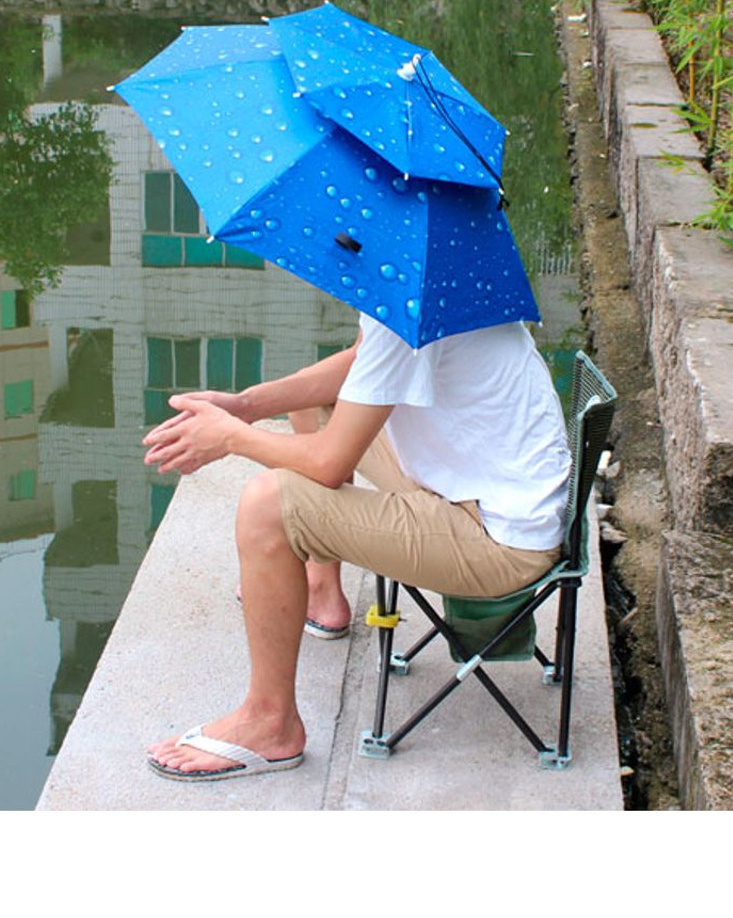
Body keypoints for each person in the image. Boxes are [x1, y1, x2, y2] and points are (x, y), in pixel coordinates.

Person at [142, 311, 571, 781]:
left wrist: (229, 436)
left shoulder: (407, 299)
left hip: (495, 539)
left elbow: (329, 463)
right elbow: (361, 362)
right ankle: (321, 592)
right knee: (317, 403)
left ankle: (270, 724)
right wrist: (246, 405)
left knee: (268, 507)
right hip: (487, 488)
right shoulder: (441, 277)